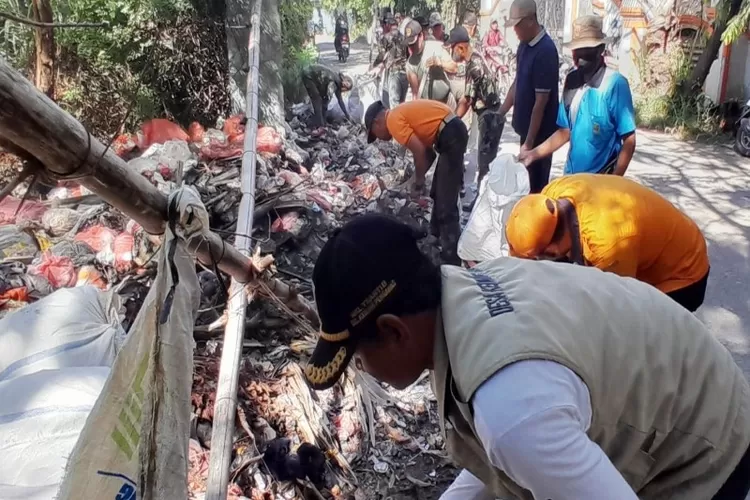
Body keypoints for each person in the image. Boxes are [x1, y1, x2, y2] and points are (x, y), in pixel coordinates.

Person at [303, 213, 750, 500]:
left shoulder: (510, 405)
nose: (362, 369)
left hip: (707, 447)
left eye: (357, 356)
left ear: (392, 331)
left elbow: (520, 432)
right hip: (689, 385)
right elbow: (503, 451)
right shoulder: (467, 290)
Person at [505, 174, 710, 311]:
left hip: (683, 273)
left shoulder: (607, 247)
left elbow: (615, 310)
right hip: (642, 249)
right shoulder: (552, 193)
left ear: (552, 251)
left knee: (640, 337)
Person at [519, 15, 637, 176]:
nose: (579, 57)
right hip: (572, 178)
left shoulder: (615, 85)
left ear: (600, 50)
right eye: (576, 50)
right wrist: (533, 154)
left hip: (601, 180)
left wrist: (614, 181)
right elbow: (565, 131)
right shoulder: (572, 81)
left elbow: (629, 140)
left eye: (586, 50)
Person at [364, 100, 468, 264]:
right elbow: (429, 155)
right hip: (451, 131)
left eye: (375, 134)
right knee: (438, 193)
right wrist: (413, 181)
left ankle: (451, 259)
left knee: (446, 204)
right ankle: (435, 236)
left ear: (377, 122)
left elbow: (419, 152)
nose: (380, 139)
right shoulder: (399, 115)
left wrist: (418, 183)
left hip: (451, 134)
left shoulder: (392, 121)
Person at [497, 0, 559, 193]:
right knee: (524, 185)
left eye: (518, 24)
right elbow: (518, 82)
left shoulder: (545, 51)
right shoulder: (524, 46)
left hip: (540, 136)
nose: (515, 30)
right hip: (527, 132)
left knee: (536, 188)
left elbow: (540, 103)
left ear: (531, 20)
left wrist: (529, 145)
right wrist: (500, 112)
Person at [447, 26, 504, 194]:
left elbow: (467, 100)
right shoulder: (475, 58)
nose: (451, 52)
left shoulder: (474, 65)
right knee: (484, 161)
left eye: (452, 48)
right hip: (489, 114)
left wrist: (450, 121)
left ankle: (481, 201)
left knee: (485, 163)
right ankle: (480, 196)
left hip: (490, 116)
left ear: (460, 47)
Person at [403, 20, 454, 106]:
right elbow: (415, 93)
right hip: (428, 105)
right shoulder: (410, 64)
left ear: (421, 36)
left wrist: (440, 63)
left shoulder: (437, 47)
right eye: (409, 45)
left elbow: (454, 68)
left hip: (446, 102)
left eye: (414, 44)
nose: (411, 48)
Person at [370, 15, 409, 109]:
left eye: (384, 25)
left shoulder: (386, 37)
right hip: (405, 74)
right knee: (402, 103)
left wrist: (374, 65)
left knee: (394, 105)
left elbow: (382, 55)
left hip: (394, 74)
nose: (383, 27)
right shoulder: (404, 37)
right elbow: (408, 55)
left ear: (388, 25)